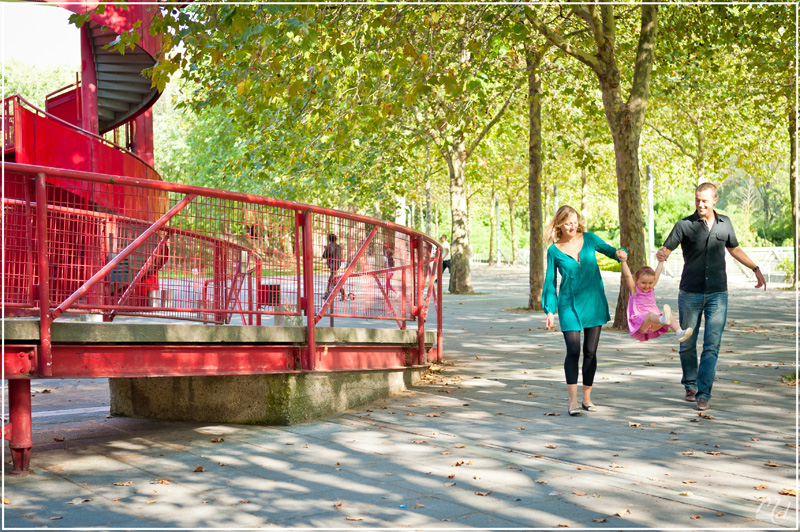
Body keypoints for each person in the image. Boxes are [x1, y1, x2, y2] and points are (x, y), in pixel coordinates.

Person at [656, 182, 766, 411]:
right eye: (697, 200)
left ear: (715, 200)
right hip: (690, 293)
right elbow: (667, 249)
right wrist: (662, 253)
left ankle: (703, 393)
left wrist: (755, 268)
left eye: (705, 200)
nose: (700, 204)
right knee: (687, 342)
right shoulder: (684, 225)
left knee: (712, 345)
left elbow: (734, 249)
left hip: (718, 293)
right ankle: (690, 384)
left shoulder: (725, 223)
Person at [542, 205, 627, 416]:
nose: (572, 226)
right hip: (569, 304)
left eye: (575, 222)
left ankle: (587, 399)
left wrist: (621, 253)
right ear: (559, 224)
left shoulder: (589, 239)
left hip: (594, 302)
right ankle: (572, 402)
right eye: (568, 223)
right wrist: (550, 311)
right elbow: (550, 282)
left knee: (590, 352)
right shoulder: (554, 250)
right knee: (573, 351)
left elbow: (612, 251)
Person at [620, 260, 693, 343]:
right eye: (643, 283)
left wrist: (661, 261)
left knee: (669, 315)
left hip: (654, 324)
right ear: (636, 280)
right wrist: (623, 261)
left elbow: (657, 274)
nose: (647, 286)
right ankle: (663, 319)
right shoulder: (634, 290)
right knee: (651, 315)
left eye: (650, 283)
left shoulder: (651, 289)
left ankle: (680, 332)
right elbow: (628, 276)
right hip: (641, 324)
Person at [322, 233, 346, 301]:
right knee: (331, 280)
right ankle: (327, 295)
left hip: (332, 265)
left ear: (329, 239)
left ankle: (342, 294)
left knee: (335, 281)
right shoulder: (338, 246)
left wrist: (326, 249)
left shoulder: (329, 246)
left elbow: (324, 256)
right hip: (337, 264)